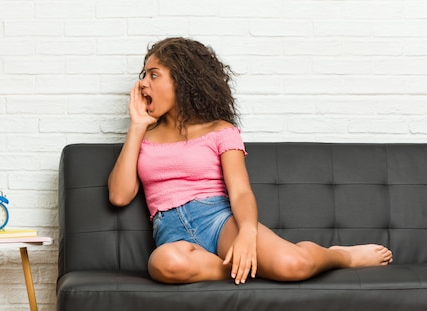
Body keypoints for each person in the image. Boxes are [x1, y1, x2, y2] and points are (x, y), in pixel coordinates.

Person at [108, 37, 393, 285]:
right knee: (164, 264)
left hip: (219, 221)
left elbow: (241, 191)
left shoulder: (220, 131)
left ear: (181, 81)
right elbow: (119, 196)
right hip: (171, 233)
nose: (142, 83)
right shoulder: (143, 136)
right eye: (143, 74)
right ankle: (249, 269)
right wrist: (136, 126)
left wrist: (246, 233)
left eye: (153, 75)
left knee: (293, 265)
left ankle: (340, 255)